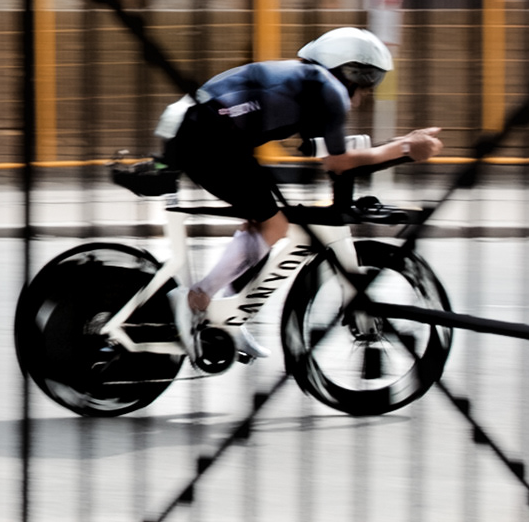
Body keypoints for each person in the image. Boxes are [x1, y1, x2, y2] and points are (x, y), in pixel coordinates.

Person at [154, 27, 439, 324]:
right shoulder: (329, 90)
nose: (366, 93)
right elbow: (339, 162)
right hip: (207, 141)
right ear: (351, 72)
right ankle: (196, 299)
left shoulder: (307, 82)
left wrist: (395, 147)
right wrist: (405, 147)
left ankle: (227, 324)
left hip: (204, 135)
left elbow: (323, 152)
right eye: (369, 82)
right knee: (274, 226)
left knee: (259, 225)